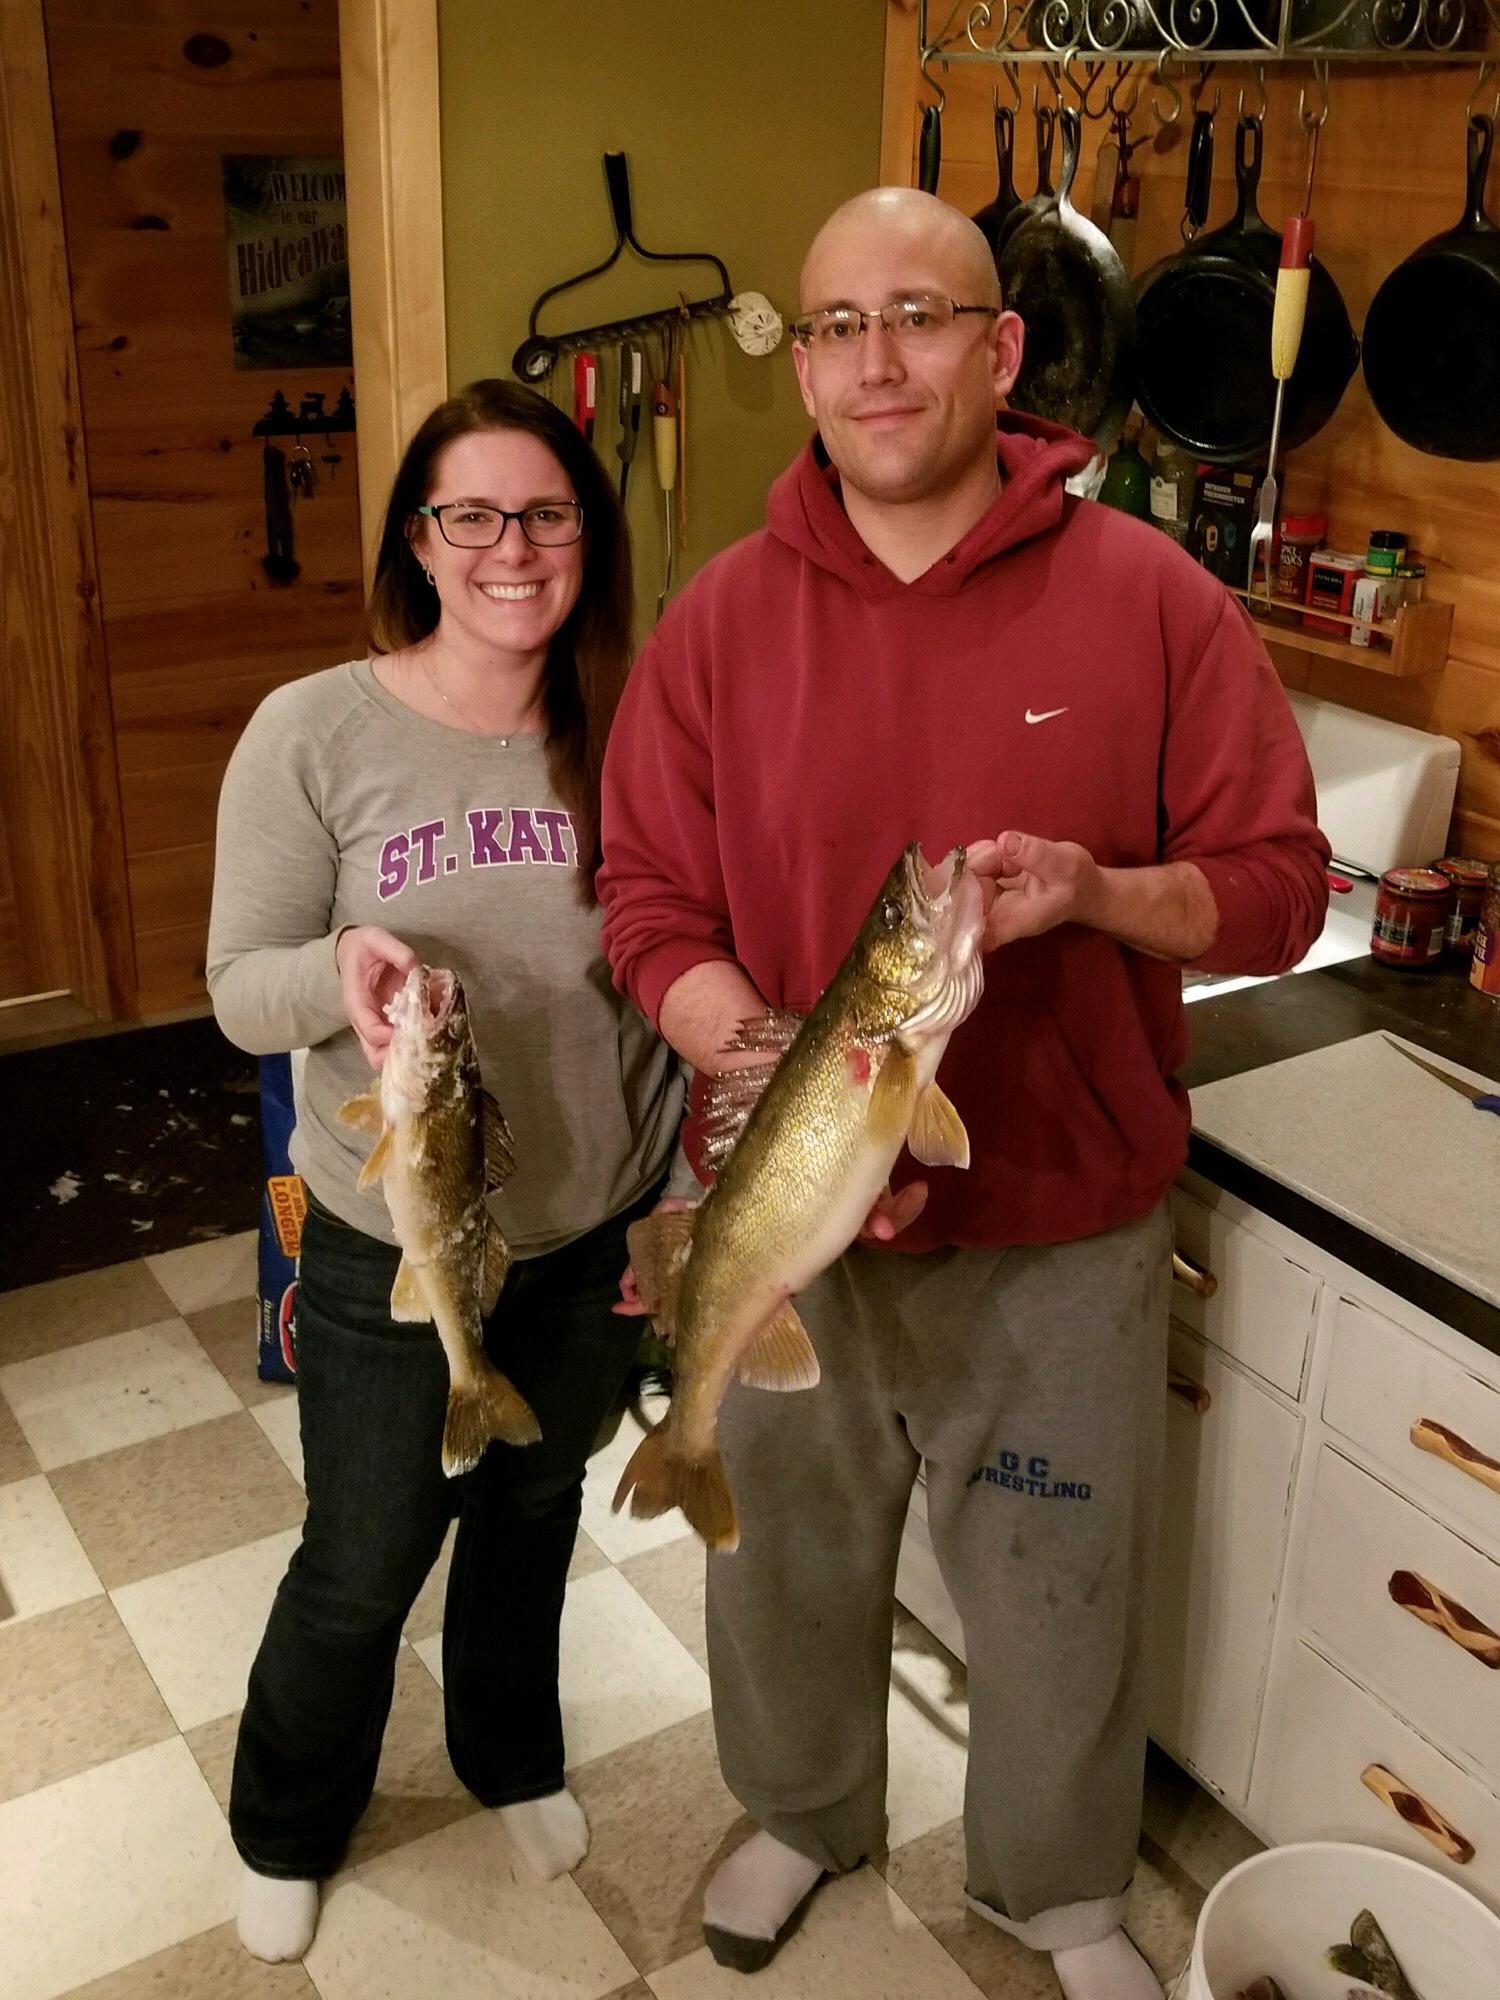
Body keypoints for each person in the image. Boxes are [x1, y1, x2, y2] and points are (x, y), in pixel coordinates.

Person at [597, 190, 1329, 1997]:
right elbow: (645, 900)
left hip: (1065, 1226)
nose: (877, 363)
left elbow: (1278, 888)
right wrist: (742, 1042)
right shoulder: (719, 622)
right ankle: (799, 1811)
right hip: (796, 1224)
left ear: (1000, 351)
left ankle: (1056, 1886)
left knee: (1059, 1586)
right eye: (838, 326)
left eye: (918, 318)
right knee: (782, 1562)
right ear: (805, 365)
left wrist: (1099, 894)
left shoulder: (1155, 600)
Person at [207, 378, 681, 1963]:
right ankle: (287, 1818)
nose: (510, 548)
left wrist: (680, 1194)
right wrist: (338, 965)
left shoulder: (638, 725)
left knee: (536, 1508)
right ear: (418, 540)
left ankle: (508, 1753)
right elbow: (238, 991)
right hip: (391, 1236)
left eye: (545, 513)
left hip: (591, 1220)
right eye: (470, 514)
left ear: (587, 536)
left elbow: (687, 966)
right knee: (365, 1554)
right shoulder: (314, 731)